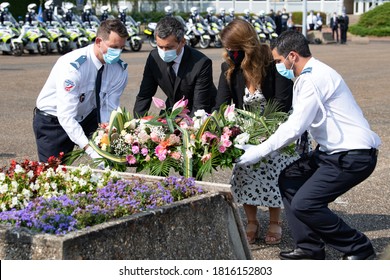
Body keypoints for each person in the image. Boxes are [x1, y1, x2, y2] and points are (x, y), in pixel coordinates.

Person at [236, 30, 381, 260]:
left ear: (292, 56)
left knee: (306, 203)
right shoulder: (311, 73)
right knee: (289, 179)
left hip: (353, 155)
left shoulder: (312, 78)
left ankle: (358, 247)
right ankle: (309, 248)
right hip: (330, 152)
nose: (277, 66)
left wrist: (257, 153)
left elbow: (295, 127)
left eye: (278, 60)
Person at [213, 19, 297, 245]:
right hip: (244, 129)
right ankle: (251, 221)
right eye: (228, 49)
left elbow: (282, 102)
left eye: (234, 49)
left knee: (272, 164)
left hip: (275, 127)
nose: (230, 53)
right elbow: (221, 103)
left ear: (246, 45)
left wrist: (264, 133)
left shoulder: (272, 62)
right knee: (243, 167)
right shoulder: (229, 67)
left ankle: (274, 221)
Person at [33, 19, 129, 163]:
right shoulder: (73, 67)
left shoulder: (118, 70)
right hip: (54, 122)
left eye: (121, 48)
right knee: (53, 173)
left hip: (87, 115)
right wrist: (89, 148)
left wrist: (105, 138)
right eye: (113, 47)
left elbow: (108, 108)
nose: (117, 53)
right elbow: (66, 116)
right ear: (98, 42)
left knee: (111, 158)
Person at [133, 16, 217, 118]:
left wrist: (188, 128)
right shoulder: (154, 58)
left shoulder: (201, 63)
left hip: (201, 112)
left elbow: (199, 105)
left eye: (169, 47)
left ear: (182, 42)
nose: (164, 51)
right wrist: (137, 123)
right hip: (173, 109)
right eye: (160, 46)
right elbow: (144, 95)